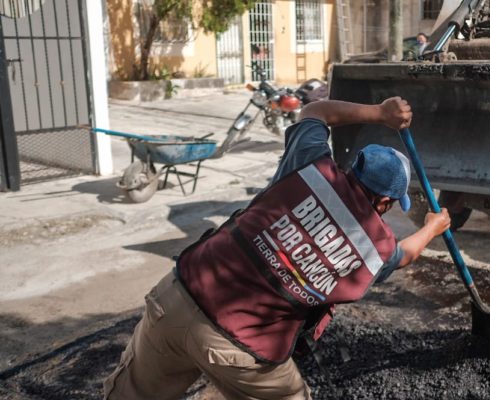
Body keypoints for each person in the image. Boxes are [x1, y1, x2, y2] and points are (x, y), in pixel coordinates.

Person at [103, 97, 451, 400]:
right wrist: (433, 227)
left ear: (354, 167)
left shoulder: (312, 164)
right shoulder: (375, 246)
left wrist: (379, 113)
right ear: (387, 203)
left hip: (178, 296)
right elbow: (403, 255)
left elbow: (315, 111)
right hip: (240, 345)